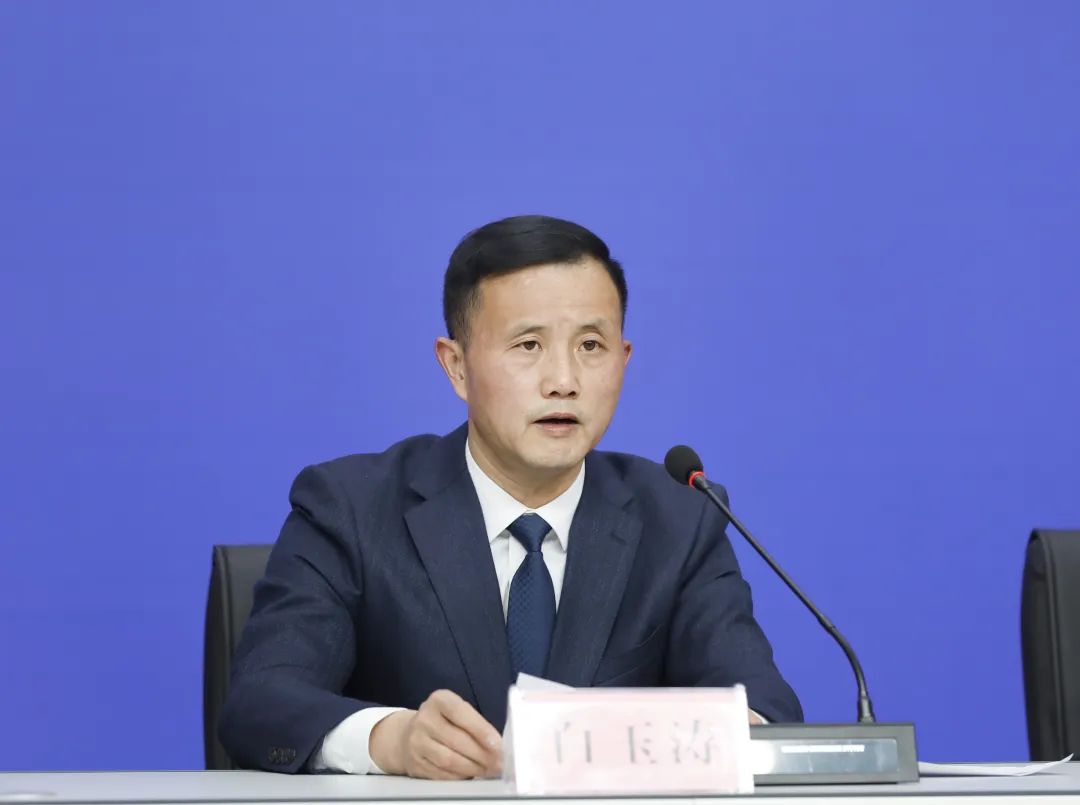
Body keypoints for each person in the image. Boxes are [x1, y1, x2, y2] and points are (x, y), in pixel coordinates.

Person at [219, 215, 802, 779]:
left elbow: (763, 711)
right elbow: (261, 700)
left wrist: (725, 734)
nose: (564, 381)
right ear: (456, 367)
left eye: (591, 345)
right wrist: (390, 739)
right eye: (528, 345)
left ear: (623, 361)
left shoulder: (680, 518)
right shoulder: (351, 507)